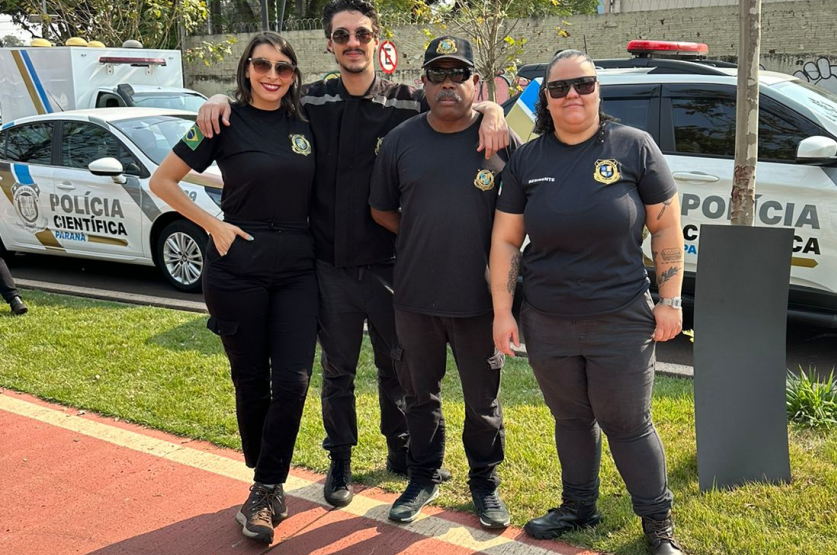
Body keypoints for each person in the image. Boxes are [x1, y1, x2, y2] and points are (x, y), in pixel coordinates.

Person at [196, 0, 509, 509]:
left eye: (361, 34)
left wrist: (494, 108)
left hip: (391, 265)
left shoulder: (408, 102)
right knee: (337, 371)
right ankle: (339, 459)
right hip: (327, 264)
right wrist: (214, 98)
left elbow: (465, 102)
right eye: (341, 36)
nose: (352, 44)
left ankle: (402, 453)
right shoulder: (311, 102)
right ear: (330, 45)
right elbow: (259, 97)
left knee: (399, 367)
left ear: (376, 39)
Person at [489, 50, 686, 555]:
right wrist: (504, 311)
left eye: (583, 84)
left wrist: (670, 299)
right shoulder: (528, 160)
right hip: (547, 319)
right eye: (559, 89)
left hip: (620, 316)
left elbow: (665, 227)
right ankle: (579, 505)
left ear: (599, 90)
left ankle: (657, 524)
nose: (572, 95)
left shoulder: (634, 147)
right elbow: (507, 240)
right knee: (571, 419)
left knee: (627, 422)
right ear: (546, 101)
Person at [150, 32, 318, 545]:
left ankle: (267, 485)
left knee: (292, 382)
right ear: (246, 68)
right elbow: (164, 182)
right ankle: (264, 484)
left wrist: (492, 108)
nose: (272, 75)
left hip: (297, 269)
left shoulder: (308, 123)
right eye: (262, 65)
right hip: (236, 265)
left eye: (283, 67)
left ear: (293, 75)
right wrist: (212, 225)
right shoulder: (221, 120)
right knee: (251, 381)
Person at [369, 36, 517, 528]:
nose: (448, 84)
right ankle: (424, 474)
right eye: (437, 74)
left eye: (458, 74)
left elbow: (520, 219)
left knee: (482, 399)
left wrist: (495, 113)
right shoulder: (400, 141)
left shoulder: (500, 139)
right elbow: (382, 210)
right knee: (419, 394)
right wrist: (420, 233)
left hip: (480, 300)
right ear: (424, 83)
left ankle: (484, 482)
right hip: (415, 296)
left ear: (476, 82)